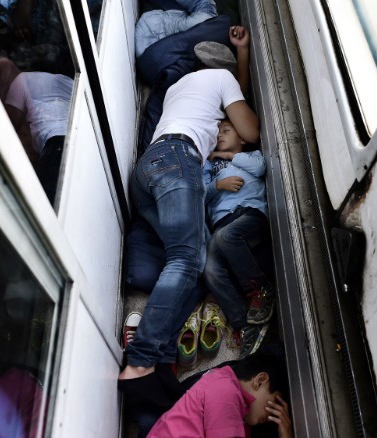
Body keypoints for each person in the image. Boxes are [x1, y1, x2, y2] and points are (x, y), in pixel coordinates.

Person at [118, 25, 259, 408]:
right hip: (179, 162)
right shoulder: (222, 79)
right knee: (185, 260)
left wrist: (241, 54)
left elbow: (231, 99)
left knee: (194, 260)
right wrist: (241, 66)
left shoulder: (181, 88)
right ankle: (141, 361)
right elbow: (250, 127)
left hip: (147, 171)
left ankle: (160, 354)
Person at [202, 117, 276, 359]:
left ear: (242, 138)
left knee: (225, 237)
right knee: (210, 269)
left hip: (249, 213)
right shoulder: (208, 166)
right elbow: (200, 195)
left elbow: (261, 168)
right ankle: (244, 327)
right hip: (222, 222)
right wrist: (218, 185)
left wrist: (229, 157)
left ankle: (261, 290)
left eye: (226, 131)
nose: (220, 136)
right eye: (217, 133)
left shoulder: (250, 156)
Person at [146, 351, 293, 438]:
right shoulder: (226, 390)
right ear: (260, 381)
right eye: (275, 401)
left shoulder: (240, 417)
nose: (271, 417)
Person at [2, 63, 74, 205]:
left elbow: (8, 127)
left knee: (48, 206)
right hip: (79, 140)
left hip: (56, 145)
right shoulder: (69, 81)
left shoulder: (22, 80)